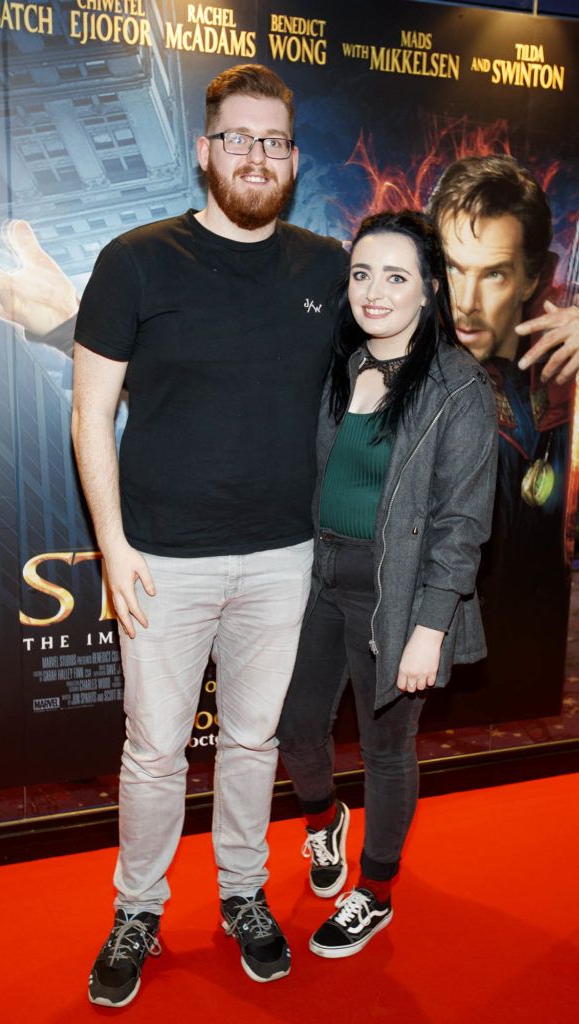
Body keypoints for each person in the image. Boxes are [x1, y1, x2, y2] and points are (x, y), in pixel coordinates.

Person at [71, 63, 347, 1004]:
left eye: (274, 141)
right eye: (238, 137)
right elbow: (90, 415)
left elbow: (397, 357)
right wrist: (112, 545)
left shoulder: (326, 268)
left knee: (253, 743)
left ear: (294, 157)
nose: (256, 156)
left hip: (284, 559)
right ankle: (138, 911)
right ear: (205, 149)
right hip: (159, 560)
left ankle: (242, 895)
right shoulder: (135, 260)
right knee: (152, 751)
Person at [277, 210, 497, 959]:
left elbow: (462, 526)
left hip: (395, 594)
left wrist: (430, 627)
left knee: (386, 750)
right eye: (362, 274)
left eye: (396, 277)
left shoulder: (458, 387)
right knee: (296, 726)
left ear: (429, 290)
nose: (374, 292)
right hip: (318, 575)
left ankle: (375, 890)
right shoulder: (343, 364)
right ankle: (321, 819)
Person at [427, 156, 576, 721]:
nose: (464, 301)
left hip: (533, 667)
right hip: (430, 667)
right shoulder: (404, 353)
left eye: (492, 273)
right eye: (452, 267)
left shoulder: (559, 358)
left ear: (532, 278)